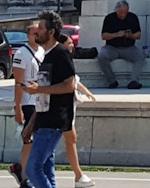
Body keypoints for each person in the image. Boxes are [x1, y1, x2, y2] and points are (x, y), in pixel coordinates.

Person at [20, 11, 78, 188]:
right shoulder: (47, 56)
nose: (37, 31)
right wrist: (30, 124)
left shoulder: (61, 53)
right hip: (43, 120)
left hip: (54, 121)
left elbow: (70, 86)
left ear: (51, 32)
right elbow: (43, 95)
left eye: (41, 28)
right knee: (46, 169)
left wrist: (39, 88)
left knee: (32, 169)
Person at [51, 28, 97, 188]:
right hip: (61, 109)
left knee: (68, 140)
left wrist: (88, 93)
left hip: (68, 108)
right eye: (69, 43)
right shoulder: (60, 60)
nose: (72, 45)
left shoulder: (66, 59)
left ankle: (78, 176)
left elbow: (76, 81)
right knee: (68, 140)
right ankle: (78, 175)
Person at [9, 19, 48, 188]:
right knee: (29, 140)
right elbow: (18, 82)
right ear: (28, 35)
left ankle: (24, 169)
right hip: (27, 101)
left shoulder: (42, 51)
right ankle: (24, 176)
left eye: (40, 33)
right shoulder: (21, 54)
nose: (38, 36)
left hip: (40, 100)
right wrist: (18, 107)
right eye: (34, 33)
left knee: (38, 141)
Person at [98, 0, 145, 90]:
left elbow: (138, 35)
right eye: (120, 13)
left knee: (140, 56)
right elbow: (104, 36)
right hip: (112, 47)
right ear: (116, 10)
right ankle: (112, 81)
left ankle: (134, 81)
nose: (123, 15)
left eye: (125, 12)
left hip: (129, 47)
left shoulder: (133, 17)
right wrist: (117, 34)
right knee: (102, 56)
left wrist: (130, 35)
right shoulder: (109, 18)